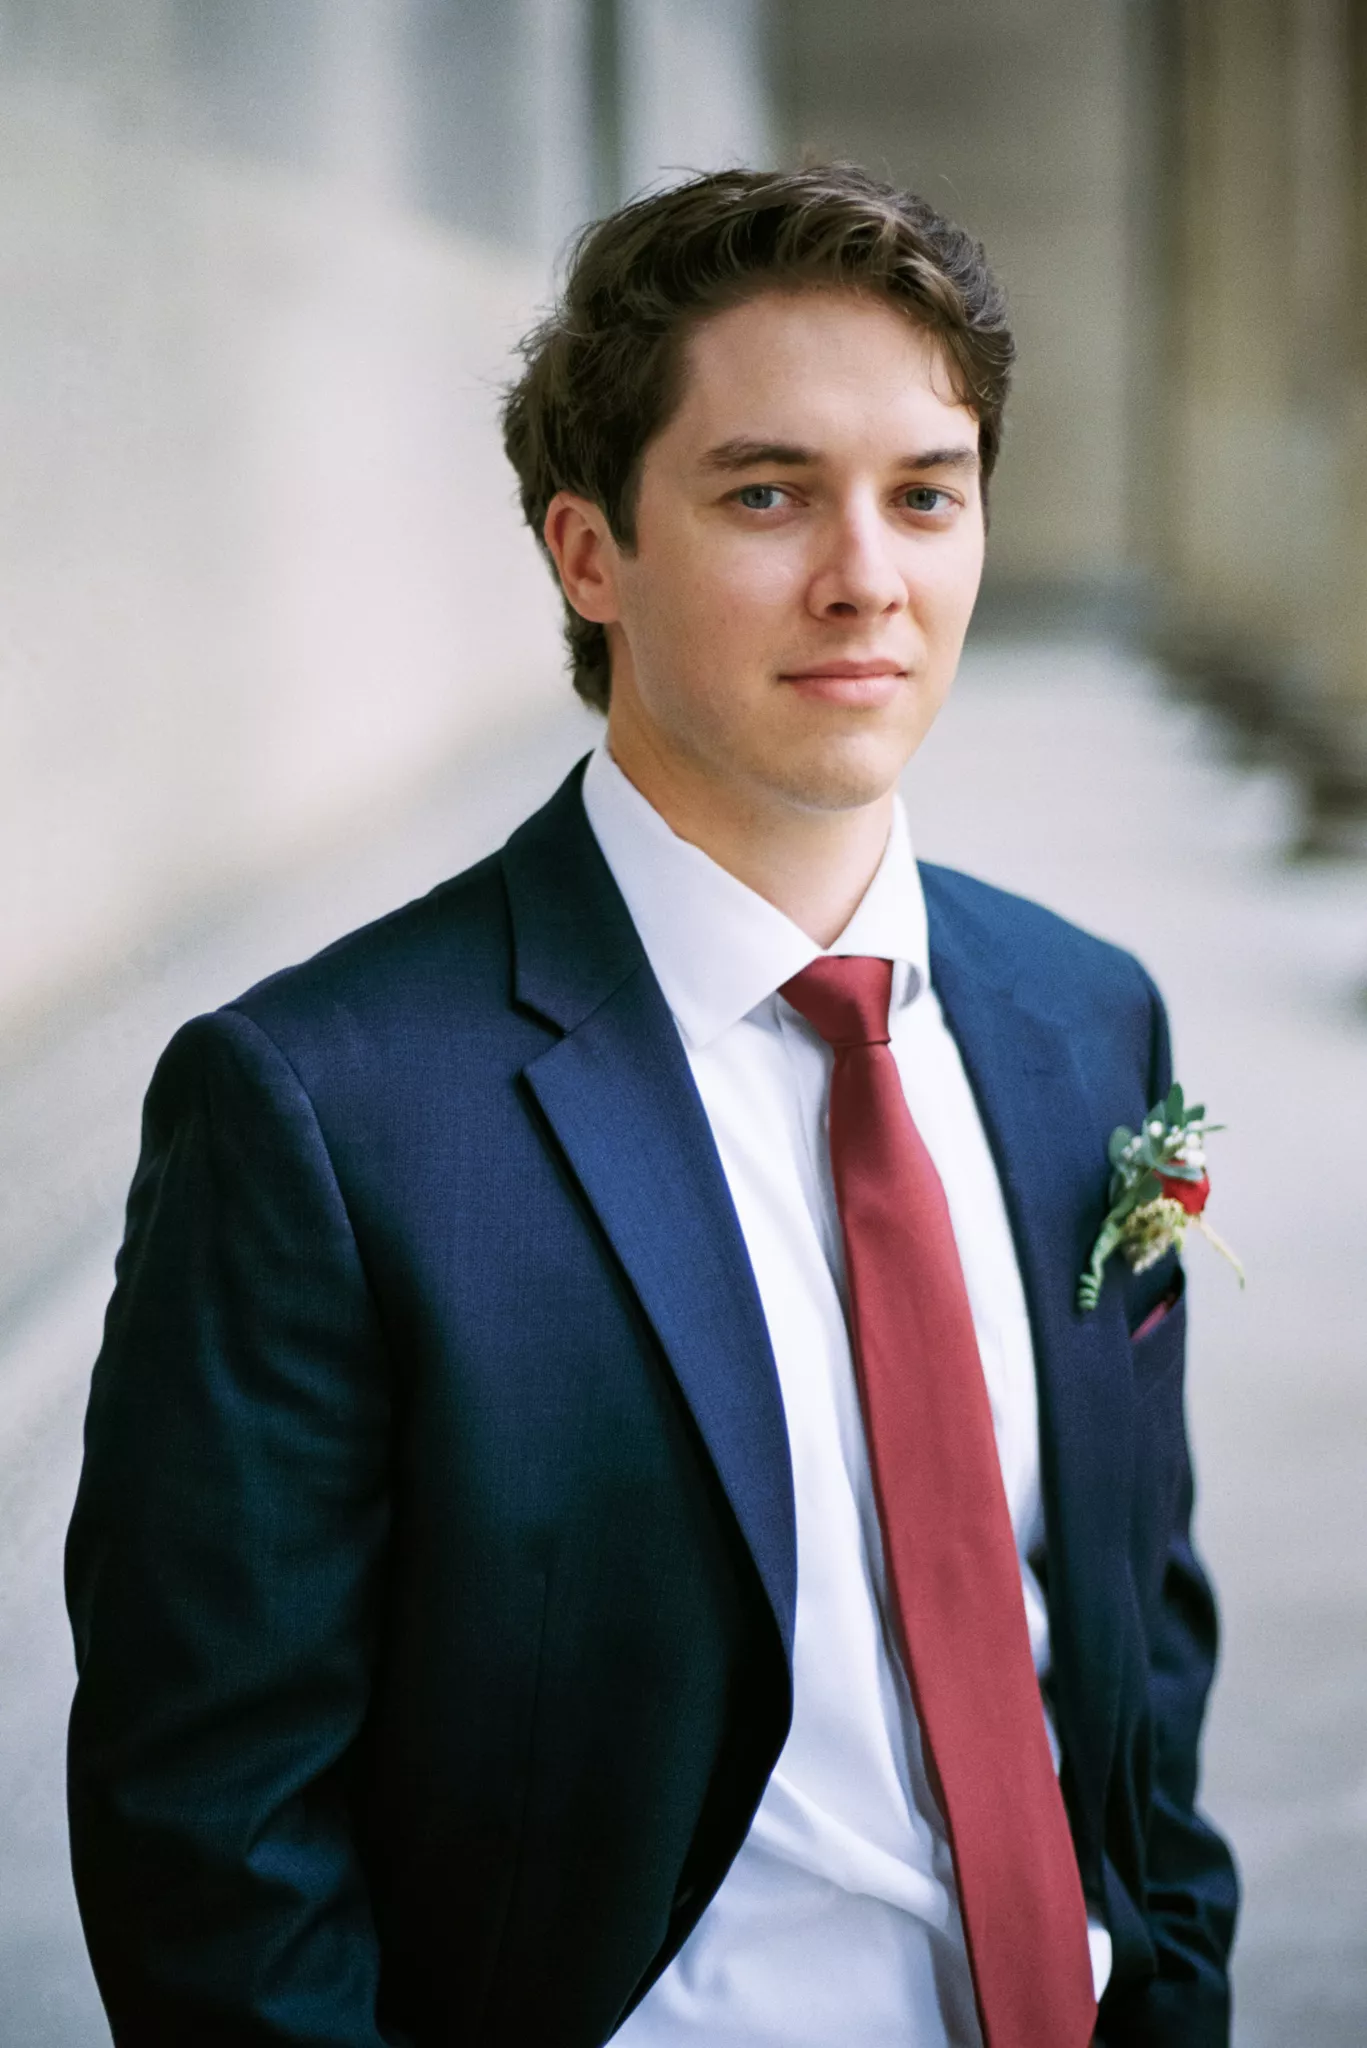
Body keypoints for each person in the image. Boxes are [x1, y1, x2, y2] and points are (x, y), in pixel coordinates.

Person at [66, 164, 1238, 2047]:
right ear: (587, 553)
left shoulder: (1084, 1020)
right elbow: (212, 1834)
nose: (866, 577)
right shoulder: (322, 1113)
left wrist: (1173, 1976)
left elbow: (1127, 1641)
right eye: (766, 494)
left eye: (924, 493)